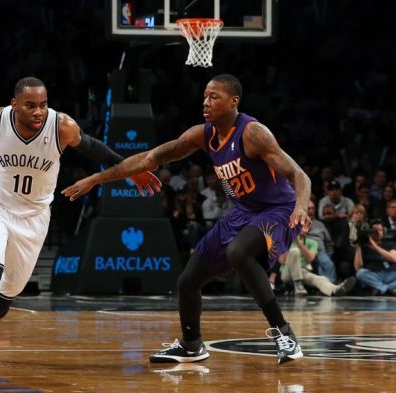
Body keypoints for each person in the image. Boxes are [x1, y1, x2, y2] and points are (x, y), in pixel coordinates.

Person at [0, 76, 159, 363]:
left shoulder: (62, 127)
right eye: (31, 105)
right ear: (15, 105)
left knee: (5, 298)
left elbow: (95, 148)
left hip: (34, 217)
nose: (38, 112)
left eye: (43, 105)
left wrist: (129, 168)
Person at [62, 74, 312, 364]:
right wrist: (96, 179)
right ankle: (192, 345)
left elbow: (299, 175)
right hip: (244, 212)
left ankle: (285, 335)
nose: (205, 102)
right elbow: (149, 158)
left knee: (238, 252)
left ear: (234, 102)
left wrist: (301, 208)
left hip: (279, 210)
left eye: (214, 97)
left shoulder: (253, 133)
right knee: (187, 281)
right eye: (205, 96)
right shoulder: (202, 134)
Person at [280, 223, 356, 296]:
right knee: (294, 251)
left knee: (321, 279)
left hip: (303, 272)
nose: (302, 229)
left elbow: (310, 259)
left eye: (305, 227)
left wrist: (298, 242)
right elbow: (282, 261)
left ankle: (335, 289)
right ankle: (297, 283)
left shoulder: (313, 242)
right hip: (287, 273)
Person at [354, 219, 396, 295]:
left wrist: (375, 246)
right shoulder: (364, 247)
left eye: (380, 230)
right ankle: (389, 290)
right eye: (374, 230)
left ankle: (381, 289)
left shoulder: (389, 244)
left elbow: (393, 258)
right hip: (373, 275)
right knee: (360, 273)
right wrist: (358, 247)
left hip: (390, 275)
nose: (377, 232)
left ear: (384, 232)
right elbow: (358, 268)